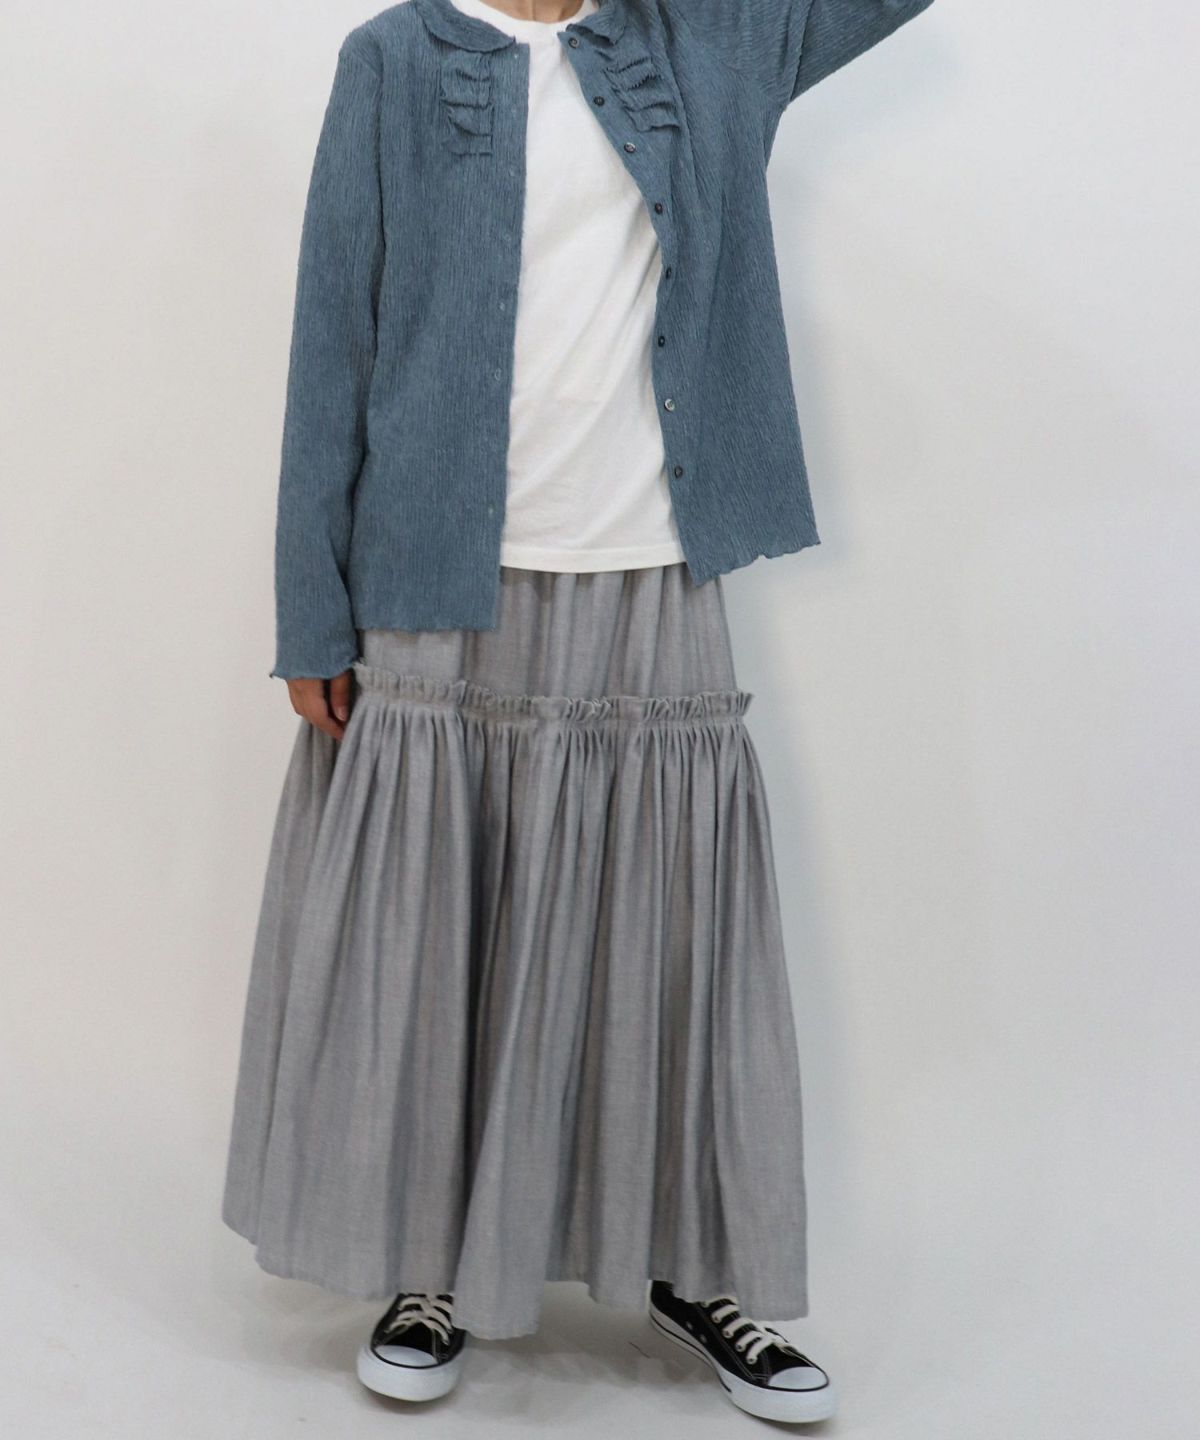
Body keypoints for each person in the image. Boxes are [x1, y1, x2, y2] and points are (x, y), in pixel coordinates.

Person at [220, 0, 935, 1424]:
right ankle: (428, 1269)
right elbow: (332, 335)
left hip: (651, 569)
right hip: (438, 574)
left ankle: (691, 1263)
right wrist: (311, 607)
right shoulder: (394, 60)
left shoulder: (709, 41)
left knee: (669, 938)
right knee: (431, 938)